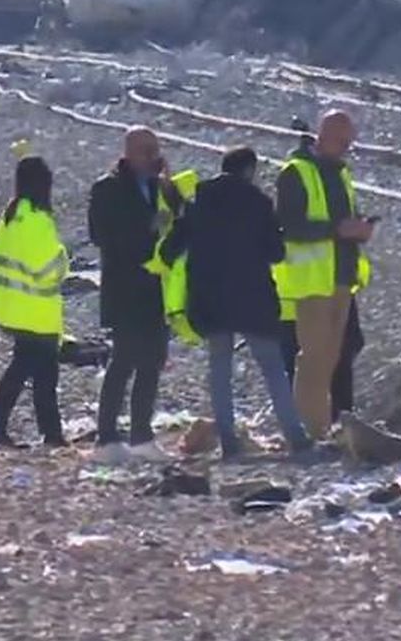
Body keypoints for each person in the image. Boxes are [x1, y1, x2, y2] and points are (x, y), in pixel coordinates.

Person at [160, 147, 319, 460]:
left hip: (210, 299)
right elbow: (276, 252)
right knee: (273, 368)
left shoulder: (199, 201)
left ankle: (229, 443)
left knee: (219, 369)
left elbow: (170, 249)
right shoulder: (259, 203)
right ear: (249, 170)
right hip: (253, 298)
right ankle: (295, 437)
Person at [276, 110, 375, 440]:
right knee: (314, 359)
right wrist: (338, 229)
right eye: (342, 141)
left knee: (332, 356)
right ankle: (309, 431)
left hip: (341, 277)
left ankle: (323, 427)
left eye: (350, 142)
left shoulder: (341, 173)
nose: (347, 148)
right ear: (323, 135)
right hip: (313, 281)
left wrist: (359, 228)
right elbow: (289, 226)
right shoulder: (296, 172)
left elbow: (345, 215)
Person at [87, 127, 182, 463]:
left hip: (157, 290)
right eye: (145, 150)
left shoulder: (161, 188)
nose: (151, 157)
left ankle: (142, 435)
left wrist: (170, 180)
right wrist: (148, 227)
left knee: (153, 361)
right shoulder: (107, 188)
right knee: (123, 360)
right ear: (128, 153)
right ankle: (107, 437)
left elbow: (183, 221)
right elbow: (103, 235)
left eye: (155, 149)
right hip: (125, 289)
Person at [0, 155, 69, 449]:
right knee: (33, 371)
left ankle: (52, 432)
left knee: (40, 370)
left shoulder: (11, 214)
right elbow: (47, 269)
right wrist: (64, 259)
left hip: (13, 306)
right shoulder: (37, 219)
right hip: (36, 310)